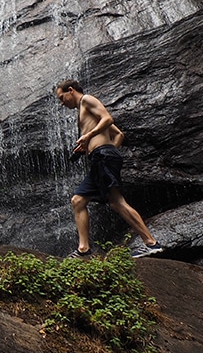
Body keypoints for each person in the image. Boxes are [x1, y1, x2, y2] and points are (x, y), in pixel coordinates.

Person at [55, 79, 163, 259]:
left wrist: (92, 139)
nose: (62, 102)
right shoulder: (84, 110)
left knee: (116, 202)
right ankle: (84, 249)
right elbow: (118, 134)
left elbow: (108, 119)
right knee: (78, 201)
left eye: (62, 97)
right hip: (101, 158)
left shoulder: (87, 100)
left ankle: (151, 243)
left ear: (71, 90)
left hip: (103, 157)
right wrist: (97, 147)